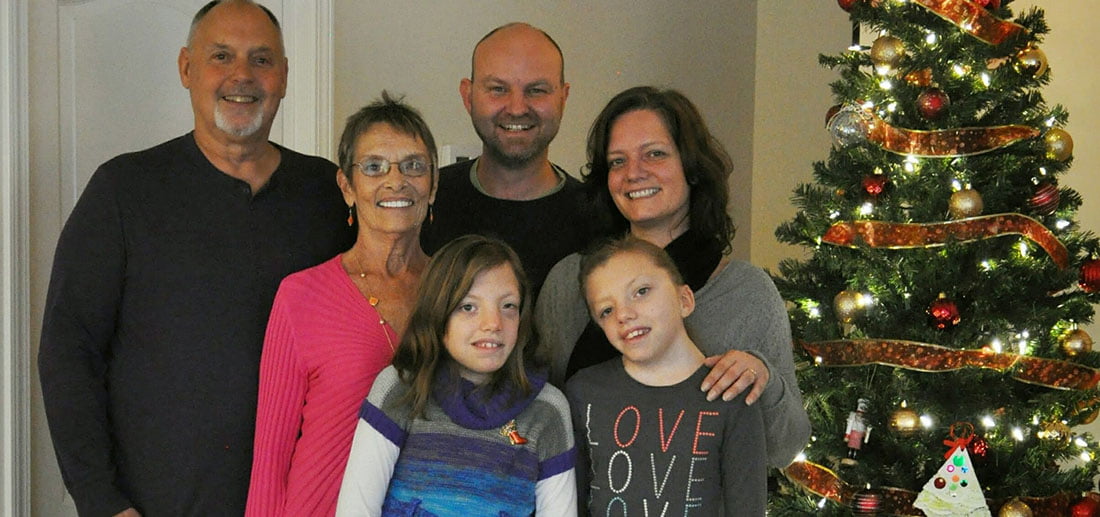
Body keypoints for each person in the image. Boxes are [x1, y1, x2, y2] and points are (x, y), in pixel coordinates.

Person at [37, 1, 353, 515]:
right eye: (221, 56)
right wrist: (102, 501)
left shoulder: (329, 193)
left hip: (305, 503)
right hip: (155, 504)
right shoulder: (123, 191)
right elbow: (68, 352)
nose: (242, 75)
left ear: (284, 76)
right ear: (187, 68)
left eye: (261, 59)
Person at [537, 86, 810, 469]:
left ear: (691, 167)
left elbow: (785, 448)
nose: (634, 172)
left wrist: (763, 377)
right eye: (617, 161)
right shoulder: (568, 281)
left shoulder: (746, 293)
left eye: (655, 154)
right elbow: (539, 418)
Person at [245, 93, 437, 517]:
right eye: (374, 167)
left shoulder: (459, 292)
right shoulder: (302, 296)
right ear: (347, 187)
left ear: (434, 184)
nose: (396, 181)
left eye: (413, 166)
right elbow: (270, 460)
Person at [335, 235, 576, 516]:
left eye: (508, 306)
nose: (493, 323)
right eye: (468, 307)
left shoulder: (548, 410)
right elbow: (356, 509)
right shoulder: (399, 389)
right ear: (438, 314)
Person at [567, 236, 767, 514]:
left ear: (684, 300)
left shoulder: (729, 391)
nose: (623, 314)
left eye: (641, 291)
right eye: (606, 310)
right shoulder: (583, 391)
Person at [420, 22, 591, 299]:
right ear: (468, 96)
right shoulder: (423, 203)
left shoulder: (599, 218)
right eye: (498, 89)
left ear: (563, 97)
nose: (517, 108)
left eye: (537, 90)